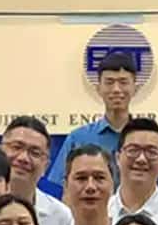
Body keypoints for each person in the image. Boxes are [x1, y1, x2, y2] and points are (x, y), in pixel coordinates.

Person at [53, 50, 138, 195]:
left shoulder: (147, 139)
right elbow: (60, 189)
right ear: (98, 88)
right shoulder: (78, 139)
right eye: (109, 82)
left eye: (123, 82)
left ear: (135, 88)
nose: (116, 89)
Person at [62, 144, 118, 225]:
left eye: (99, 178)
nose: (90, 187)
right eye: (81, 178)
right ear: (65, 186)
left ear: (113, 185)